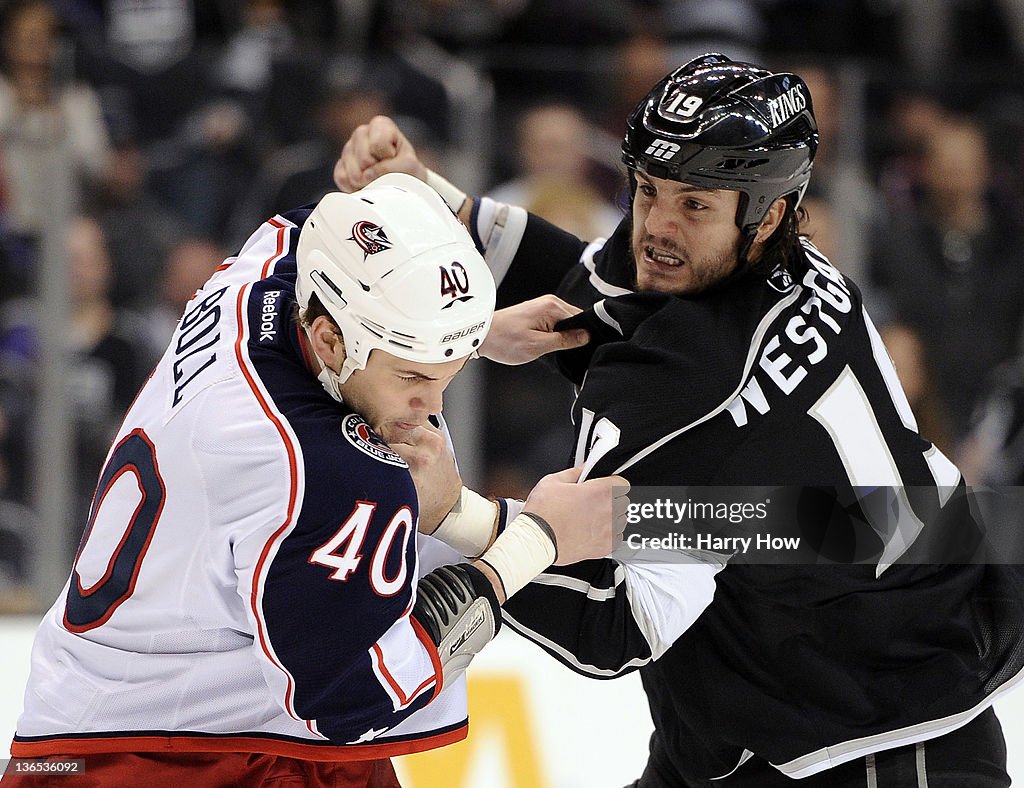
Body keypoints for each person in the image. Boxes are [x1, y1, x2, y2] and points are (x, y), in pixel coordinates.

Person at [335, 53, 1024, 786]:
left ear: (770, 215)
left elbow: (619, 623)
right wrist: (435, 196)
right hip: (842, 673)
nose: (656, 228)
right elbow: (595, 280)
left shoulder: (681, 395)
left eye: (693, 205)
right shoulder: (799, 273)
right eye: (646, 189)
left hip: (869, 737)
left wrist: (452, 512)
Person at [1, 173, 630, 786]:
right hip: (161, 756)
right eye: (414, 375)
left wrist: (457, 331)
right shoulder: (316, 467)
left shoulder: (262, 276)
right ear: (330, 338)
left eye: (450, 367)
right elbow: (351, 698)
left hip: (178, 711)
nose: (432, 404)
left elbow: (329, 220)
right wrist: (528, 543)